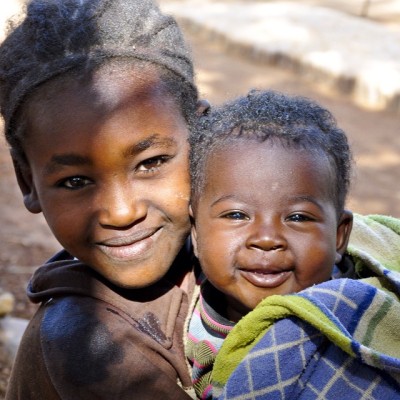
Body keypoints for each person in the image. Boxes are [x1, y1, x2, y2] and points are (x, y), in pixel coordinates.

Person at [0, 0, 207, 398]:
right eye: (76, 181)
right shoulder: (89, 349)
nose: (122, 212)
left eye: (151, 163)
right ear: (27, 181)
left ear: (203, 136)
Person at [186, 89, 400, 399]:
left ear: (339, 236)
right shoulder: (180, 302)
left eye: (298, 217)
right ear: (195, 232)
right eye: (236, 214)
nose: (267, 238)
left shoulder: (351, 320)